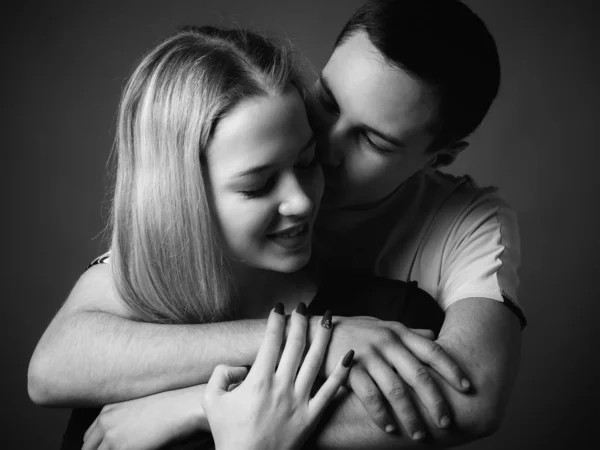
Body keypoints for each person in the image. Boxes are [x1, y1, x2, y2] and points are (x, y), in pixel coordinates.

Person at [29, 0, 524, 448]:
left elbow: (468, 397)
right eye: (328, 100)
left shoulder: (467, 225)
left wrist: (209, 409)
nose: (325, 144)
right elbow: (57, 365)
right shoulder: (248, 150)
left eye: (373, 141)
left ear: (439, 157)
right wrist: (314, 337)